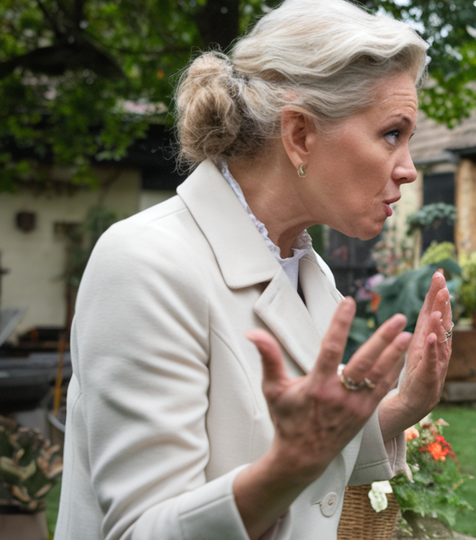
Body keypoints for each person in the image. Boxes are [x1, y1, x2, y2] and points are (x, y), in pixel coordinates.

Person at [55, 2, 453, 539]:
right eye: (391, 134)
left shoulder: (309, 274)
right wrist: (285, 470)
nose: (408, 168)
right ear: (299, 136)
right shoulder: (144, 262)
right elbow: (140, 529)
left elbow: (306, 453)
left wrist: (402, 406)